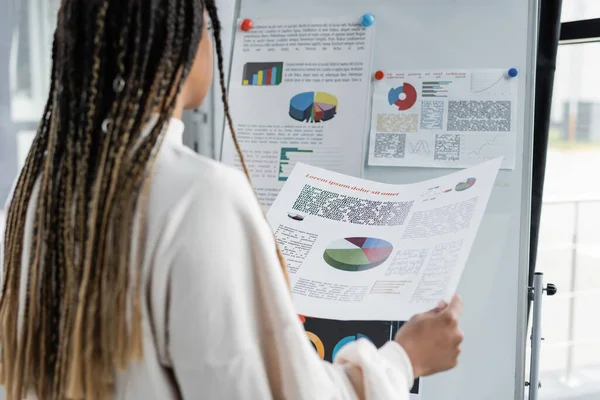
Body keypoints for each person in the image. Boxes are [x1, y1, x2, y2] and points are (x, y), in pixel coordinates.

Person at [0, 1, 464, 399]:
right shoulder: (200, 195)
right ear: (180, 41)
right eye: (206, 21)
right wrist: (406, 359)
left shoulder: (42, 194)